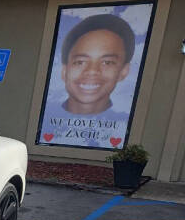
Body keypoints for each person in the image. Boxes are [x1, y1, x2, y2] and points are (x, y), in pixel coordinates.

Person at [39, 13, 136, 149]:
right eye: (80, 62)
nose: (92, 71)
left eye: (107, 62)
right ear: (64, 71)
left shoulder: (121, 121)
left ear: (124, 71)